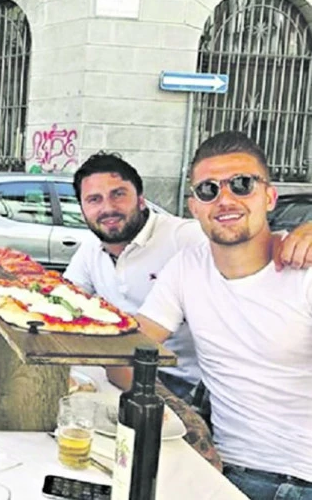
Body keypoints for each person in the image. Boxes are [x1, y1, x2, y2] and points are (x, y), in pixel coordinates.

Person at [131, 131, 312, 499]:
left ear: (269, 197)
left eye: (242, 184)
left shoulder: (305, 268)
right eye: (208, 190)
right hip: (226, 473)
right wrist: (186, 419)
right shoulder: (187, 267)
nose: (225, 199)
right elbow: (130, 352)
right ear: (194, 207)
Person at [64, 152, 204, 400]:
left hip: (183, 381)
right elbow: (64, 304)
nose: (108, 208)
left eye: (118, 194)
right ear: (83, 209)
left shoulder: (185, 237)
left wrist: (285, 238)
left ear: (140, 199)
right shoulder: (90, 249)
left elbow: (247, 246)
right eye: (94, 199)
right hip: (117, 365)